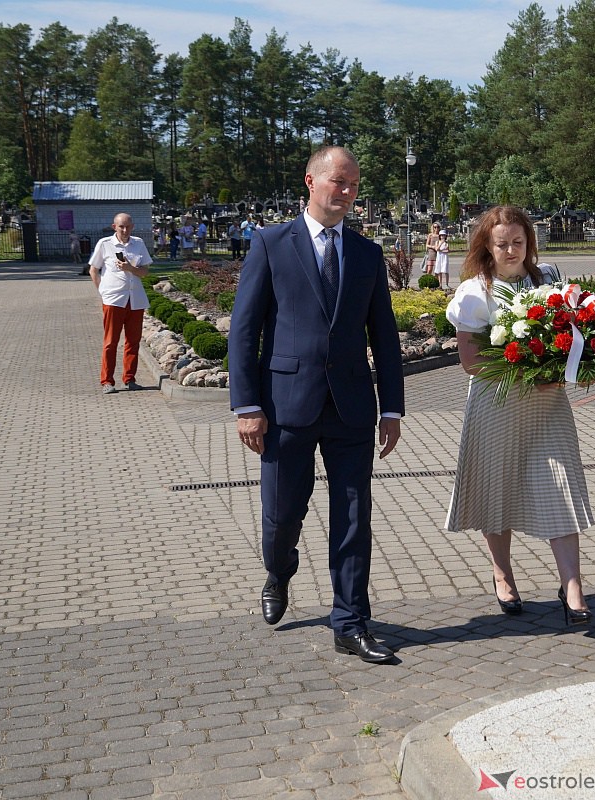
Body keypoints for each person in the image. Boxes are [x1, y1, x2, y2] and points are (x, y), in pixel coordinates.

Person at [228, 146, 405, 664]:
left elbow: (386, 338)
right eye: (337, 181)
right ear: (310, 181)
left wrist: (391, 408)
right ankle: (279, 571)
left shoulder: (367, 253)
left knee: (353, 519)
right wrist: (246, 405)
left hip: (351, 406)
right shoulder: (269, 243)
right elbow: (244, 331)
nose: (346, 191)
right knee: (282, 515)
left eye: (352, 184)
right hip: (284, 408)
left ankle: (350, 622)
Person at [444, 205, 594, 625]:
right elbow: (471, 361)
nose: (510, 250)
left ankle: (573, 589)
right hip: (496, 406)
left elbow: (571, 336)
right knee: (499, 491)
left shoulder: (548, 279)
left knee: (562, 488)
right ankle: (502, 574)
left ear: (529, 242)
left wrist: (566, 368)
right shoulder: (476, 291)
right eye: (501, 243)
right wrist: (528, 372)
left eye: (517, 242)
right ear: (486, 247)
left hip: (548, 407)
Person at [88, 213, 152, 393]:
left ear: (132, 226)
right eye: (121, 226)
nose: (125, 230)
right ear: (114, 226)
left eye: (128, 226)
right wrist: (102, 292)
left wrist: (130, 269)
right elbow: (94, 270)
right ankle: (107, 381)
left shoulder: (138, 243)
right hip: (113, 300)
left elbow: (145, 271)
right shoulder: (105, 244)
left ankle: (129, 379)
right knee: (111, 341)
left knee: (133, 341)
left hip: (135, 299)